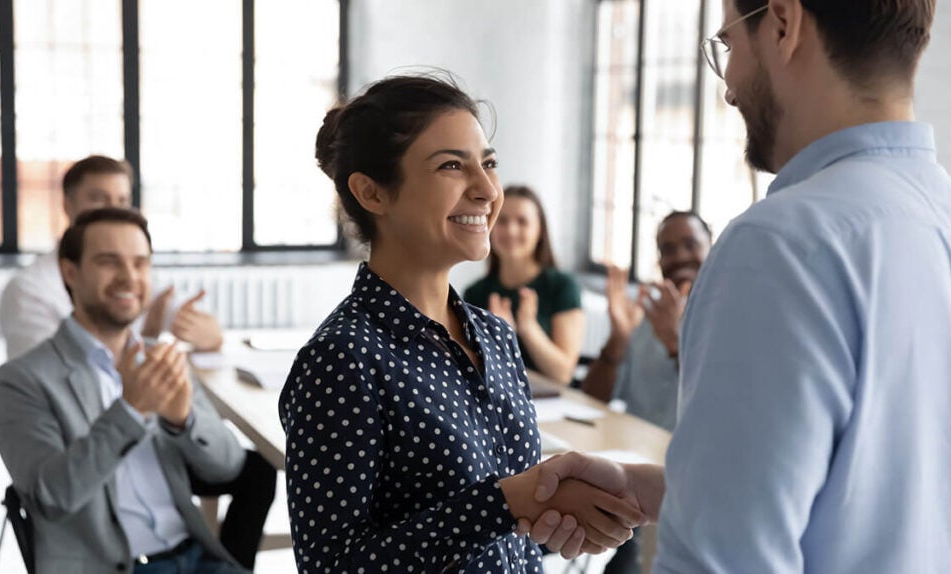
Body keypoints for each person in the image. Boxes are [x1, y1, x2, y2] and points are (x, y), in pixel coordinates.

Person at [520, 0, 951, 571]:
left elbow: (723, 562)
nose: (729, 90)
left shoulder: (780, 243)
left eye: (729, 46)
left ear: (783, 24)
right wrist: (659, 490)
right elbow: (900, 504)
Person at [278, 74, 641, 573]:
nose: (489, 191)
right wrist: (506, 503)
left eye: (488, 164)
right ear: (372, 192)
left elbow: (501, 534)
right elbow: (333, 565)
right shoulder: (343, 358)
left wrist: (552, 510)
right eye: (452, 165)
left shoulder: (494, 335)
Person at [0, 155, 275, 569]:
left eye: (140, 263)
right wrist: (130, 410)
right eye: (109, 262)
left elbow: (228, 467)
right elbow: (50, 499)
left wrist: (184, 421)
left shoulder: (156, 359)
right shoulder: (20, 380)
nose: (130, 276)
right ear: (69, 273)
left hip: (197, 557)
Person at [0, 155, 223, 359]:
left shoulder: (136, 275)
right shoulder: (29, 290)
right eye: (99, 199)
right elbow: (53, 383)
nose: (115, 211)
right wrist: (147, 342)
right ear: (70, 274)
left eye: (122, 201)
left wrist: (207, 332)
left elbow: (196, 321)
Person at [581, 211, 712, 430]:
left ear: (712, 248)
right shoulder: (645, 313)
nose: (680, 257)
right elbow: (593, 397)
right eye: (668, 250)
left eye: (690, 245)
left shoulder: (730, 317)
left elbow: (718, 404)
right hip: (636, 451)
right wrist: (618, 338)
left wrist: (673, 342)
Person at [463, 185, 584, 383]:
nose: (511, 231)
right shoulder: (474, 294)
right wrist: (501, 338)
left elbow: (563, 374)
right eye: (502, 221)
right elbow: (474, 371)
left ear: (540, 231)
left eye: (522, 222)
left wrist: (528, 327)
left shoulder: (562, 286)